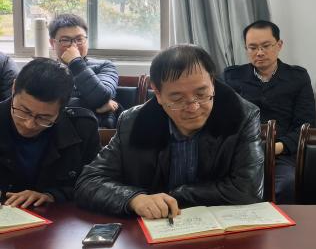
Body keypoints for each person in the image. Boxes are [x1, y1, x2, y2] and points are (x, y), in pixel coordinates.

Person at [75, 44, 264, 218]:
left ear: (212, 83)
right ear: (158, 93)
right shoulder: (133, 122)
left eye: (201, 94)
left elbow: (247, 190)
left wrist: (175, 196)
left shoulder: (241, 116)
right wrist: (135, 199)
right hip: (153, 229)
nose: (193, 107)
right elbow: (88, 181)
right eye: (177, 98)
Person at [223, 20, 315, 203]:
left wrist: (277, 147)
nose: (259, 52)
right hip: (240, 154)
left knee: (286, 184)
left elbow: (306, 125)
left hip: (280, 154)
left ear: (279, 45)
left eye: (266, 46)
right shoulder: (232, 76)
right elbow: (223, 120)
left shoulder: (297, 77)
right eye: (252, 47)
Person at [0, 58, 99, 207]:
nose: (29, 124)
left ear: (62, 109)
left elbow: (95, 183)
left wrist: (52, 196)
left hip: (56, 216)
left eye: (44, 117)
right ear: (14, 88)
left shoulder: (82, 128)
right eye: (23, 111)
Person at [49, 13, 120, 128]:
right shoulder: (45, 71)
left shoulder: (105, 66)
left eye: (79, 39)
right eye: (65, 40)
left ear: (86, 40)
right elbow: (40, 106)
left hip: (95, 131)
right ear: (53, 43)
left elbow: (101, 98)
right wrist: (94, 107)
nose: (74, 46)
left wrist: (75, 62)